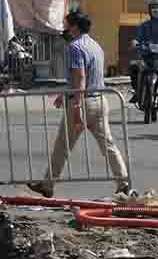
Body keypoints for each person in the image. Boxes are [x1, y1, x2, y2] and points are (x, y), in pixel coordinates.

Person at [29, 10, 131, 198]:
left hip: (82, 102)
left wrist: (76, 106)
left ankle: (48, 185)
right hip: (100, 100)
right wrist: (65, 93)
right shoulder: (95, 45)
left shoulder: (75, 47)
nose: (64, 29)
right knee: (108, 144)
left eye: (66, 25)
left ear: (74, 27)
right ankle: (123, 182)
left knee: (62, 146)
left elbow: (81, 77)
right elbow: (87, 76)